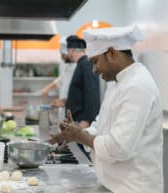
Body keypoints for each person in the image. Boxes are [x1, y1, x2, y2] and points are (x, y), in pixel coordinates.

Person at [49, 26, 163, 193]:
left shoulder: (137, 85)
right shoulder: (116, 84)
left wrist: (81, 136)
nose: (94, 70)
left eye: (95, 61)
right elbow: (100, 125)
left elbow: (119, 147)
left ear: (111, 53)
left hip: (132, 188)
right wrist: (75, 133)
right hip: (111, 185)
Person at [50, 35, 100, 129]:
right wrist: (65, 102)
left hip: (82, 121)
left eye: (68, 51)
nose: (68, 54)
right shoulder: (80, 64)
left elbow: (92, 94)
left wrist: (86, 120)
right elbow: (79, 94)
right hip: (76, 120)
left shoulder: (86, 64)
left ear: (72, 50)